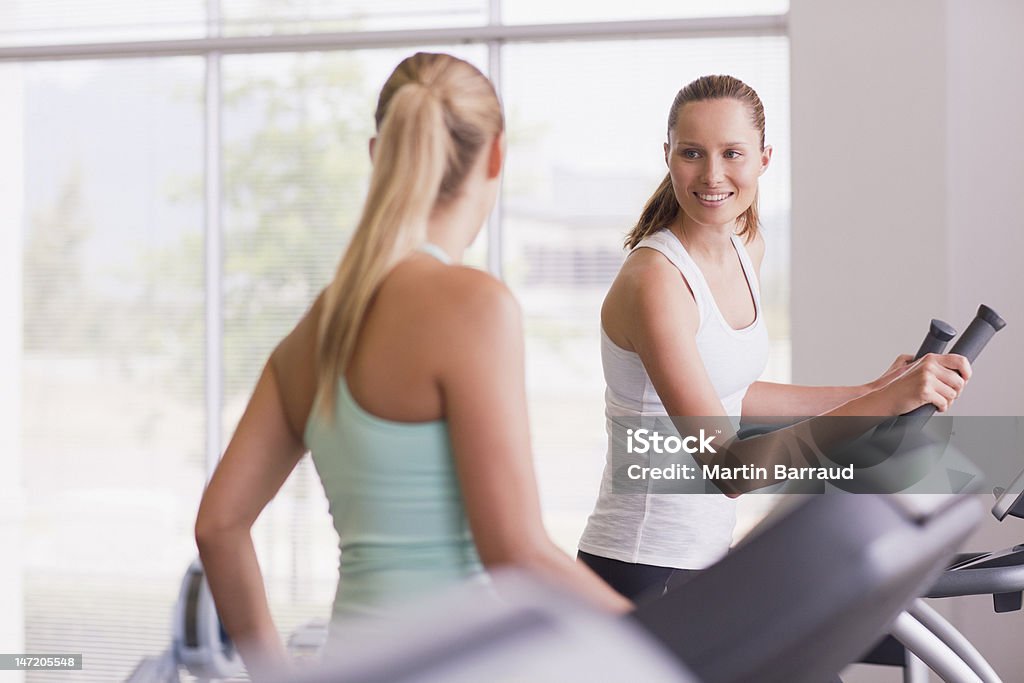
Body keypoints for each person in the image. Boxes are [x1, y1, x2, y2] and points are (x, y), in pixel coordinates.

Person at [194, 52, 630, 679]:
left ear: (380, 153)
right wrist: (662, 641)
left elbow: (218, 525)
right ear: (497, 157)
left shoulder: (318, 326)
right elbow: (516, 554)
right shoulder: (475, 306)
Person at [577, 74, 971, 601]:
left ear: (764, 158)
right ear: (667, 155)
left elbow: (732, 393)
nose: (712, 174)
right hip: (640, 567)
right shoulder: (656, 281)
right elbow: (726, 467)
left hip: (705, 560)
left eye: (732, 153)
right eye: (692, 153)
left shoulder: (746, 245)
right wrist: (882, 402)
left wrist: (869, 390)